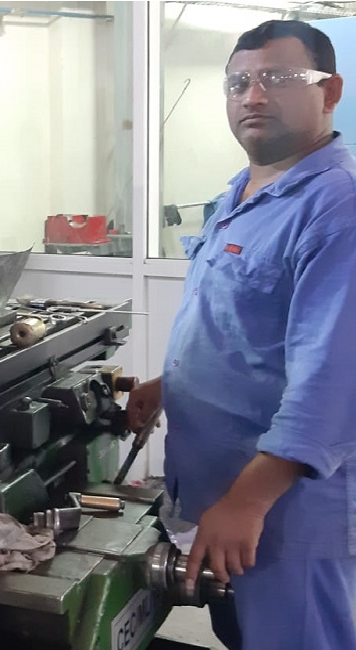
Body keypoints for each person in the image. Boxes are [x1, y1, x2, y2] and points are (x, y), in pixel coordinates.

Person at [127, 20, 356, 650]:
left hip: (283, 515)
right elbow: (244, 326)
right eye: (238, 82)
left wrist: (248, 502)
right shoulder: (244, 190)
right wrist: (170, 385)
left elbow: (333, 383)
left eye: (278, 77)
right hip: (218, 492)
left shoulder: (337, 208)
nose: (253, 96)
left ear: (330, 91)